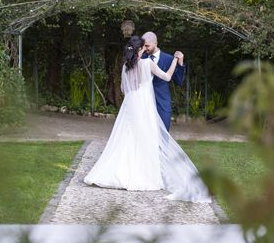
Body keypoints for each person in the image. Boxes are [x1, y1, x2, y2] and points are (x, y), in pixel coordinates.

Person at [83, 36, 211, 203]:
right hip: (143, 105)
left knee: (126, 138)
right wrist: (174, 61)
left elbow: (123, 89)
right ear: (141, 49)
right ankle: (143, 175)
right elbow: (166, 77)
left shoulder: (125, 67)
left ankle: (117, 173)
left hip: (129, 104)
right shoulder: (146, 63)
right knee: (146, 138)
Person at [141, 31, 185, 131]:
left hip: (162, 102)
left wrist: (180, 63)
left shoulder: (169, 59)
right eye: (143, 46)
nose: (144, 48)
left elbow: (179, 82)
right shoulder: (141, 58)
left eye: (147, 45)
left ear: (155, 43)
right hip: (143, 103)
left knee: (163, 133)